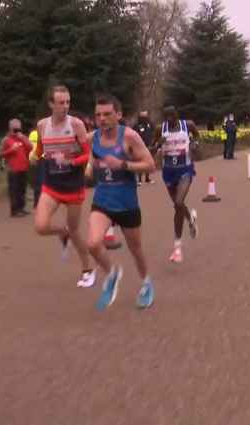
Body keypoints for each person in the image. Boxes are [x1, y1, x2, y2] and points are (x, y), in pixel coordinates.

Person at [85, 94, 157, 309]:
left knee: (136, 249)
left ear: (118, 114)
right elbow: (91, 161)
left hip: (126, 202)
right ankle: (112, 273)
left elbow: (150, 165)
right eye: (98, 115)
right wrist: (89, 169)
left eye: (107, 114)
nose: (102, 119)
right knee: (92, 243)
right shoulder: (93, 138)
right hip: (102, 200)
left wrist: (123, 165)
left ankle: (146, 283)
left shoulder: (130, 137)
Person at [33, 85, 96, 288]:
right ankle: (62, 232)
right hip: (51, 184)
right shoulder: (42, 125)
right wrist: (36, 156)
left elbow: (87, 154)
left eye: (68, 102)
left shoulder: (76, 125)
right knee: (41, 226)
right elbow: (41, 149)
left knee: (76, 230)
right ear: (51, 104)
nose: (66, 106)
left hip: (73, 184)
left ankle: (88, 269)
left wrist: (72, 162)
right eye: (61, 103)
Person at [153, 106, 199, 263]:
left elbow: (197, 138)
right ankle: (191, 220)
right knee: (178, 205)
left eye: (172, 116)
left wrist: (194, 144)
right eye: (166, 117)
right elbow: (152, 148)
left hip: (185, 170)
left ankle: (177, 247)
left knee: (179, 202)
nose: (170, 120)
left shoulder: (188, 125)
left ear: (177, 115)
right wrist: (158, 143)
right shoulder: (160, 128)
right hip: (168, 171)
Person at [0, 118, 33, 217]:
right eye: (15, 129)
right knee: (14, 191)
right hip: (13, 169)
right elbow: (1, 154)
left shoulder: (22, 138)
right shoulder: (6, 140)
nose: (17, 131)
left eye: (18, 129)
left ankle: (21, 208)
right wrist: (11, 149)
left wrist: (22, 138)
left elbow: (30, 147)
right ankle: (14, 211)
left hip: (23, 168)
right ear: (10, 129)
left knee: (22, 190)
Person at [133, 110, 155, 184]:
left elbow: (153, 132)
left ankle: (147, 178)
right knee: (140, 162)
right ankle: (139, 179)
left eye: (145, 116)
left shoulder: (150, 124)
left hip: (149, 146)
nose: (144, 118)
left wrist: (152, 143)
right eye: (142, 117)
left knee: (148, 162)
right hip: (140, 146)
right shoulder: (136, 125)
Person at [28, 126, 43, 208]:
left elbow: (30, 147)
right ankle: (38, 203)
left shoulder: (32, 134)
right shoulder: (39, 134)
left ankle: (36, 203)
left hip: (32, 159)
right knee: (39, 182)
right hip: (38, 159)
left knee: (36, 182)